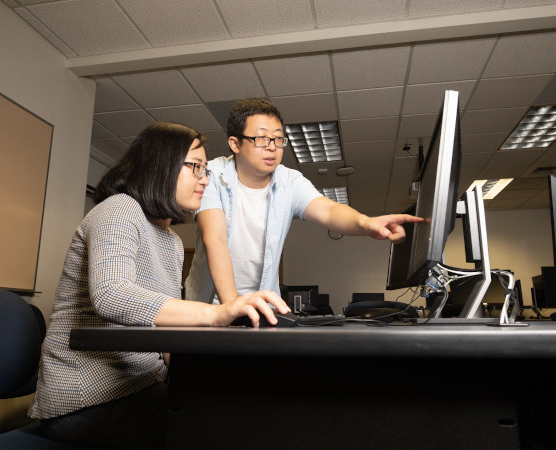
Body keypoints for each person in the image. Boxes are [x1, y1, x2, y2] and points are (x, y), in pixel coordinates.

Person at [28, 122, 290, 449]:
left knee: (243, 409)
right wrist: (216, 313)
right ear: (160, 165)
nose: (205, 179)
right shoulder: (119, 209)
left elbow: (162, 332)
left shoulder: (170, 241)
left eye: (206, 170)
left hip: (141, 388)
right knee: (228, 430)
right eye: (195, 167)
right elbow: (111, 295)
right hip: (86, 401)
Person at [184, 98, 423, 305]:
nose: (272, 147)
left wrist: (365, 223)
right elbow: (214, 239)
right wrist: (232, 307)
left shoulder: (289, 181)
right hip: (209, 304)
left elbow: (329, 211)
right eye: (261, 139)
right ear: (235, 143)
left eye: (278, 139)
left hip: (263, 303)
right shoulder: (212, 174)